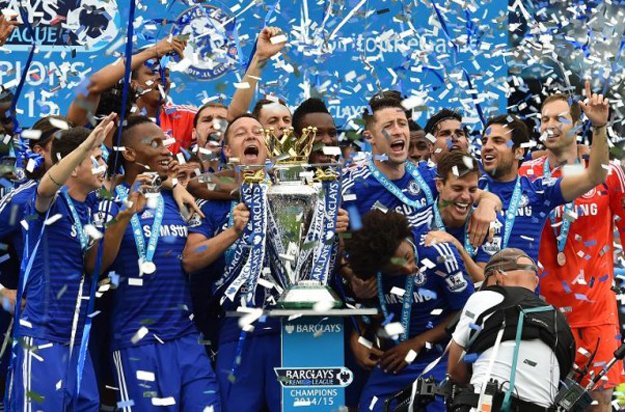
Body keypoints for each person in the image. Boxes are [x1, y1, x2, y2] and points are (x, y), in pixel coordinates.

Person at [94, 115, 221, 410]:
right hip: (136, 342)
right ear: (130, 154)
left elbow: (231, 180)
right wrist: (124, 213)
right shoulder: (107, 200)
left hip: (187, 338)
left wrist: (176, 184)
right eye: (154, 143)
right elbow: (95, 266)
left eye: (165, 142)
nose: (165, 149)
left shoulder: (179, 196)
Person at [519, 83, 625, 410]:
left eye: (559, 119)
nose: (549, 125)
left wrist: (600, 127)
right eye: (544, 119)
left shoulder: (609, 173)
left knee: (598, 403)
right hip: (544, 313)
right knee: (545, 402)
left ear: (578, 124)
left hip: (596, 312)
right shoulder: (528, 174)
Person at [8, 116, 115, 411]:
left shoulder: (96, 207)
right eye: (94, 159)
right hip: (42, 337)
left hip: (78, 343)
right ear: (74, 163)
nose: (102, 166)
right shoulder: (45, 202)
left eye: (102, 158)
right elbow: (46, 187)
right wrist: (84, 146)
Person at [344, 210, 474, 412]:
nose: (408, 268)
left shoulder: (439, 253)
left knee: (433, 406)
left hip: (440, 356)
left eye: (407, 256)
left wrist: (417, 343)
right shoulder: (370, 267)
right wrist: (358, 337)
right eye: (395, 270)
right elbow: (366, 310)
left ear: (404, 237)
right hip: (394, 361)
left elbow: (468, 311)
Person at [476, 88, 610, 266]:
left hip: (527, 291)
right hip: (474, 291)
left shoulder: (537, 189)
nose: (487, 146)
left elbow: (596, 175)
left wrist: (599, 128)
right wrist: (483, 198)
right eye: (485, 141)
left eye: (498, 141)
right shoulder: (469, 189)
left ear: (518, 152)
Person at [448, 248, 576, 411]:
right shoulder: (559, 320)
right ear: (535, 282)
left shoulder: (483, 297)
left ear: (497, 277)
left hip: (487, 404)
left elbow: (454, 371)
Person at [423, 151, 489, 282]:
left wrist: (455, 246)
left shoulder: (491, 224)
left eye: (472, 190)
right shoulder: (417, 223)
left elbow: (485, 282)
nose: (465, 197)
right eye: (458, 188)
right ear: (439, 185)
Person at [291, 97, 338, 164]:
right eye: (317, 133)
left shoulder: (349, 173)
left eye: (332, 133)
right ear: (295, 139)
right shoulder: (279, 173)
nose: (328, 141)